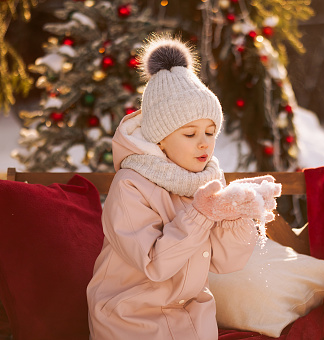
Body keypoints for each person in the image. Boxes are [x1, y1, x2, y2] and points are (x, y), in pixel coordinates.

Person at [87, 34, 281, 340]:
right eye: (190, 134)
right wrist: (202, 213)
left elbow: (224, 262)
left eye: (210, 131)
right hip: (130, 320)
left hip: (192, 318)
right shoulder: (130, 187)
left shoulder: (202, 181)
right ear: (160, 139)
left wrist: (238, 213)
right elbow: (155, 265)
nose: (204, 142)